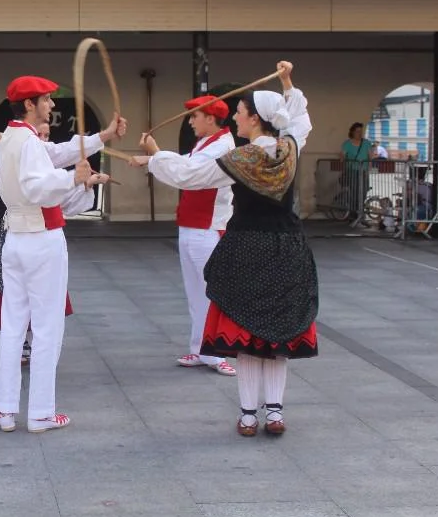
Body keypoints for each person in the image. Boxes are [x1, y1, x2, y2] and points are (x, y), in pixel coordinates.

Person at [134, 61, 317, 437]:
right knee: (278, 333)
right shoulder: (290, 148)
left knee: (246, 333)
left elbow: (188, 175)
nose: (234, 116)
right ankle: (275, 413)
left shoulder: (239, 158)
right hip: (287, 248)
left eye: (240, 111)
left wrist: (155, 159)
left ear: (255, 119)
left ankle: (249, 415)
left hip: (246, 247)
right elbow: (300, 120)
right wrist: (287, 83)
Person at [0, 75, 125, 434]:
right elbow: (38, 187)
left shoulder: (13, 137)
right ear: (30, 104)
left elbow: (59, 152)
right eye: (47, 99)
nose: (52, 105)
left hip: (16, 239)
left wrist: (103, 136)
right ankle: (40, 413)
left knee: (13, 325)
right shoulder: (28, 141)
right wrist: (72, 179)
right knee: (47, 327)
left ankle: (5, 409)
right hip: (41, 239)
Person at [0, 123, 72, 367]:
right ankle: (17, 343)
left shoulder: (43, 157)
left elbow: (58, 197)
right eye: (40, 134)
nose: (43, 139)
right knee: (8, 290)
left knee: (37, 291)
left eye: (47, 135)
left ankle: (33, 341)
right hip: (0, 226)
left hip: (35, 231)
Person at [170, 96, 236, 377]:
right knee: (195, 293)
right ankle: (200, 349)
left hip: (208, 228)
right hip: (191, 225)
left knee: (212, 293)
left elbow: (187, 171)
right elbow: (186, 163)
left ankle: (217, 352)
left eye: (194, 116)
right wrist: (151, 159)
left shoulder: (222, 146)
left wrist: (154, 157)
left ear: (210, 118)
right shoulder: (206, 142)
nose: (190, 121)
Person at [341, 122, 370, 219]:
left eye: (361, 131)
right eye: (357, 131)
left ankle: (360, 211)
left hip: (363, 171)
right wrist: (344, 159)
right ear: (352, 132)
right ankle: (354, 213)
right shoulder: (347, 144)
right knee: (354, 192)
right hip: (352, 171)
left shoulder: (366, 143)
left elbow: (370, 156)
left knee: (363, 191)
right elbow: (342, 156)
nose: (360, 133)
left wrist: (369, 168)